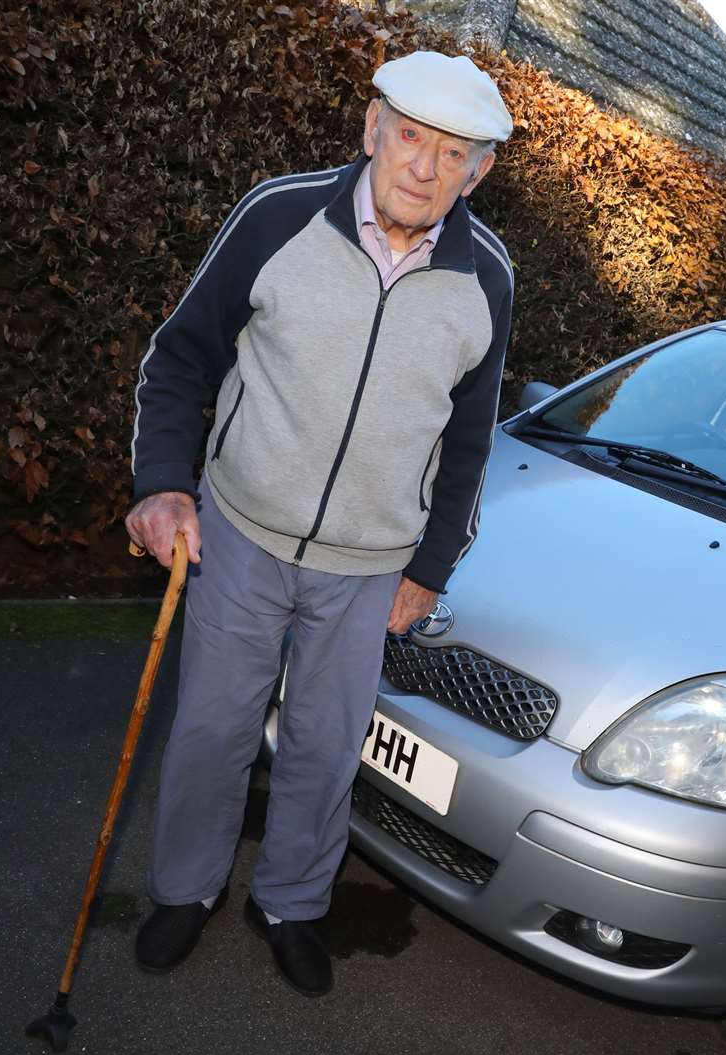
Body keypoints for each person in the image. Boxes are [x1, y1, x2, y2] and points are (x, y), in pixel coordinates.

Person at [123, 51, 514, 997]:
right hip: (241, 534)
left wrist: (430, 569)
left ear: (480, 170)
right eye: (411, 136)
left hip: (370, 564)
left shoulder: (487, 279)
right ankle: (185, 888)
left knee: (325, 749)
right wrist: (163, 482)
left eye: (452, 151)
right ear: (372, 125)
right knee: (213, 729)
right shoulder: (277, 215)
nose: (423, 166)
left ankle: (294, 903)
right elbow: (181, 360)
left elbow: (467, 446)